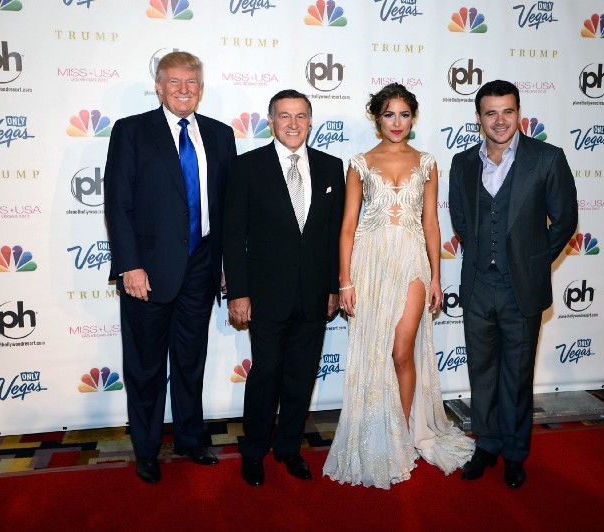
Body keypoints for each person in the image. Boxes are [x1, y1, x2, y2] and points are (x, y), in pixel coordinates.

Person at [323, 83, 474, 490]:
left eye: (404, 114)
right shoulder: (358, 163)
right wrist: (345, 280)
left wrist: (438, 277)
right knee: (374, 352)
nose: (397, 122)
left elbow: (430, 223)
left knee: (400, 349)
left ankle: (403, 432)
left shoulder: (427, 162)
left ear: (413, 118)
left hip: (411, 262)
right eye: (389, 114)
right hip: (368, 264)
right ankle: (381, 431)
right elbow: (348, 226)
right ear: (377, 117)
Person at [104, 51, 237, 484]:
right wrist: (130, 266)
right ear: (159, 86)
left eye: (192, 83)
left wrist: (225, 265)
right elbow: (118, 204)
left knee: (189, 360)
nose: (184, 90)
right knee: (144, 367)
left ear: (201, 88)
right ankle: (146, 449)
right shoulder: (132, 131)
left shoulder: (220, 135)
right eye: (175, 82)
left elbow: (228, 209)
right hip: (148, 271)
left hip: (202, 266)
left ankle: (190, 438)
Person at [448, 80, 577, 489]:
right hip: (477, 286)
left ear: (519, 113)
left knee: (517, 375)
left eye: (507, 111)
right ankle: (487, 445)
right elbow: (462, 221)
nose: (500, 120)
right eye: (491, 113)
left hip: (520, 286)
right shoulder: (462, 162)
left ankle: (516, 453)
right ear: (478, 118)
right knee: (481, 372)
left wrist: (533, 262)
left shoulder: (547, 159)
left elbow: (566, 220)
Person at [223, 89, 345, 487]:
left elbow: (332, 236)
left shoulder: (331, 167)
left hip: (313, 295)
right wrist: (238, 293)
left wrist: (332, 288)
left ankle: (289, 449)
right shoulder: (247, 167)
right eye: (284, 116)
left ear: (311, 121)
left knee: (301, 375)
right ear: (270, 121)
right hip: (265, 294)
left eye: (301, 116)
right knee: (266, 375)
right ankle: (255, 450)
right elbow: (233, 236)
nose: (293, 124)